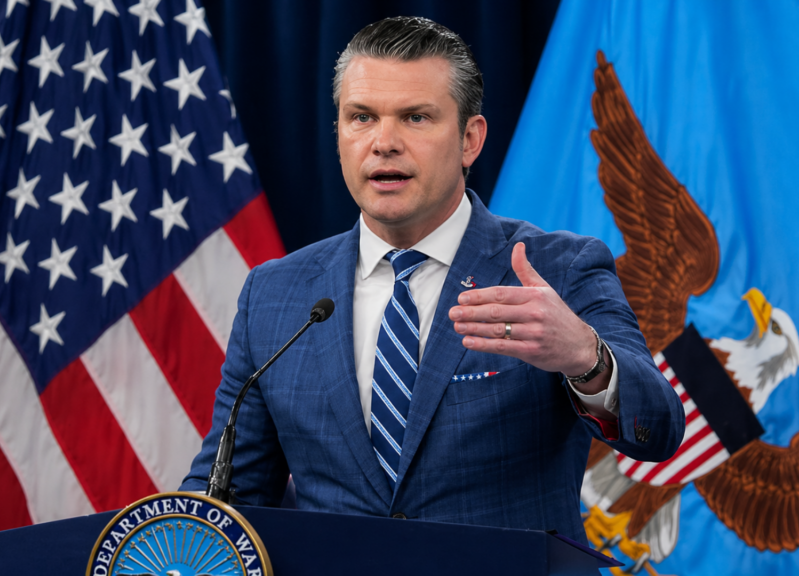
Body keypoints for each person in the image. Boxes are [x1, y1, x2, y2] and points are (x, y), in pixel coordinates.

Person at [182, 16, 684, 542]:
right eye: (361, 118)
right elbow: (229, 492)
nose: (383, 142)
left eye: (416, 117)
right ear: (338, 133)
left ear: (470, 139)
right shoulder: (276, 294)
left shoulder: (559, 269)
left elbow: (660, 428)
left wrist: (585, 356)